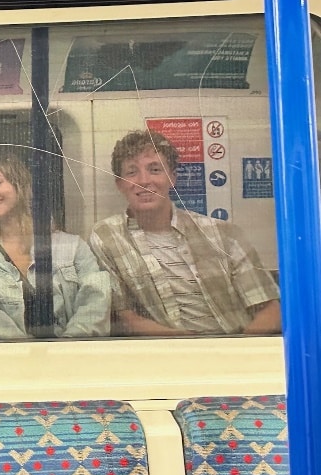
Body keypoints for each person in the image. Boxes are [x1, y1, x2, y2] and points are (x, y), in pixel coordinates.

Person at [89, 130, 281, 336]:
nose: (144, 180)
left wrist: (237, 349)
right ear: (120, 184)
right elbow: (125, 317)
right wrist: (188, 347)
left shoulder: (223, 233)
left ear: (172, 178)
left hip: (237, 342)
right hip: (167, 349)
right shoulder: (107, 237)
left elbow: (271, 310)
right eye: (131, 172)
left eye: (155, 169)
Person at [0, 157, 110, 339]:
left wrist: (65, 348)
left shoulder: (73, 246)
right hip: (13, 355)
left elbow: (96, 303)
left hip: (73, 353)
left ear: (20, 185)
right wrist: (28, 353)